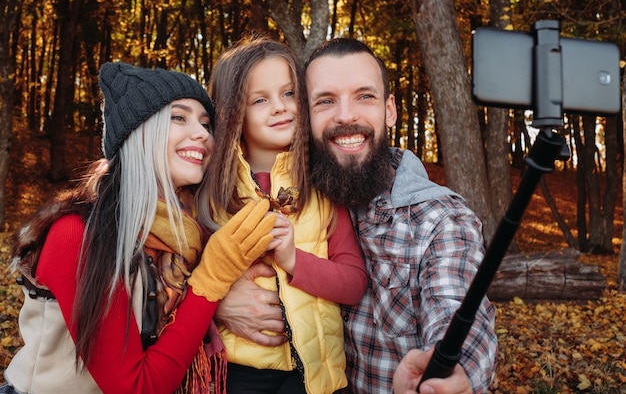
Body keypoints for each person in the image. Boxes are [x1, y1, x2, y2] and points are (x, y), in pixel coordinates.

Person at [216, 37, 498, 394]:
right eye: (325, 101)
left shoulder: (439, 221)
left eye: (364, 96)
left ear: (390, 110)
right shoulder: (300, 187)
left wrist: (451, 368)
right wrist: (216, 304)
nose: (346, 115)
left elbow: (455, 306)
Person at [1, 62, 276, 394]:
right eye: (179, 117)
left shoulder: (188, 231)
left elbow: (179, 316)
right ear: (137, 132)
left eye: (206, 123)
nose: (203, 133)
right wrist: (212, 282)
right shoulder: (77, 233)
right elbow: (136, 388)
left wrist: (217, 302)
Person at [196, 35, 368, 394]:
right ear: (233, 113)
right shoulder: (210, 194)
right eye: (260, 99)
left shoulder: (322, 188)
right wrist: (216, 307)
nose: (279, 107)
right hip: (238, 375)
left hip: (318, 377)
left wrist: (293, 259)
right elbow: (184, 283)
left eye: (289, 93)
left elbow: (354, 283)